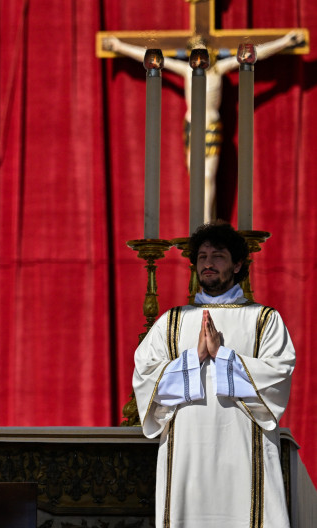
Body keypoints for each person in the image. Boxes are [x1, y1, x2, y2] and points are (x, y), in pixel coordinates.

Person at [133, 222, 295, 527]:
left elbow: (278, 376)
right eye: (202, 256)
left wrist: (223, 357)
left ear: (237, 265)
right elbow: (145, 378)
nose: (207, 263)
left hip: (244, 451)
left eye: (218, 256)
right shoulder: (171, 322)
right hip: (187, 454)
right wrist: (194, 358)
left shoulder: (264, 320)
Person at [102, 31, 304, 222]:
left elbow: (255, 54)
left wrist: (286, 42)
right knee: (197, 180)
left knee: (208, 177)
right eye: (195, 51)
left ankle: (205, 224)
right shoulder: (186, 71)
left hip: (211, 127)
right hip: (192, 127)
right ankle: (202, 222)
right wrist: (119, 46)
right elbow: (150, 59)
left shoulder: (219, 69)